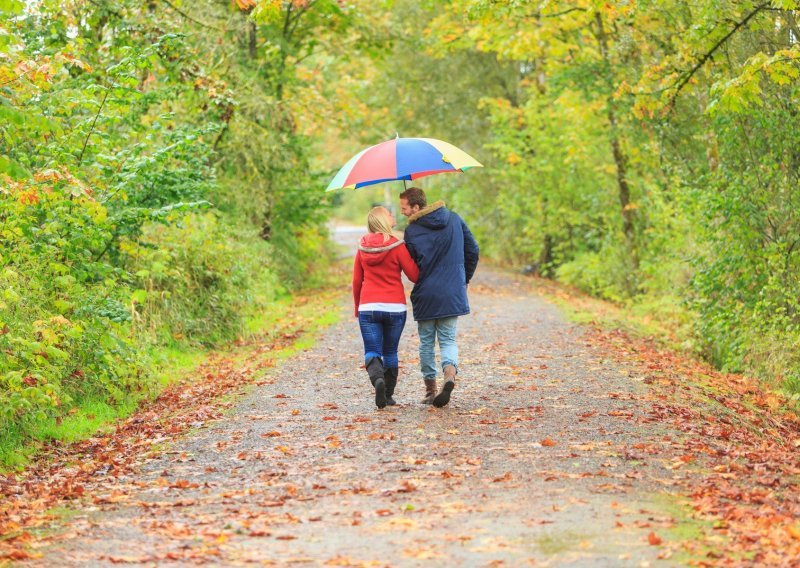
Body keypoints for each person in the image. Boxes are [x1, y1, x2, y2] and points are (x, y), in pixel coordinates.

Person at [399, 187, 479, 407]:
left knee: (426, 343)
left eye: (405, 208)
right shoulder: (454, 219)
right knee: (448, 340)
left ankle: (430, 391)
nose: (403, 212)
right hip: (452, 292)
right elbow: (473, 249)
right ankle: (450, 375)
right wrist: (464, 279)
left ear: (416, 206)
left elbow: (412, 267)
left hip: (426, 293)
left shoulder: (412, 231)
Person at [352, 206, 420, 408]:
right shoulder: (397, 246)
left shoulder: (362, 246)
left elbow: (357, 281)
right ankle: (388, 395)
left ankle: (377, 380)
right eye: (390, 214)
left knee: (372, 350)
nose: (393, 216)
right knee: (390, 352)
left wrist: (358, 307)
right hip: (395, 308)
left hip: (369, 306)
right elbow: (414, 276)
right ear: (383, 220)